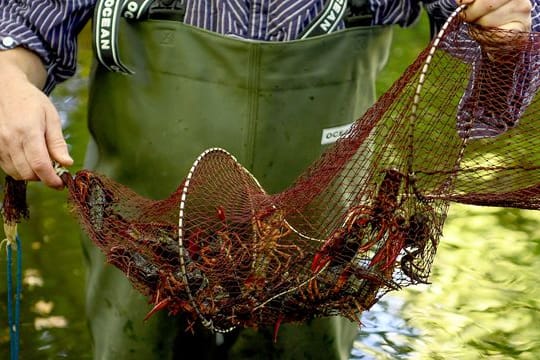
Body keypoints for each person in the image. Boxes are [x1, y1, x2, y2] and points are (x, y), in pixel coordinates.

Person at [0, 0, 534, 359]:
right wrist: (9, 77)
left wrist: (511, 31)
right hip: (138, 252)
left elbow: (493, 96)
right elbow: (25, 25)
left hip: (318, 257)